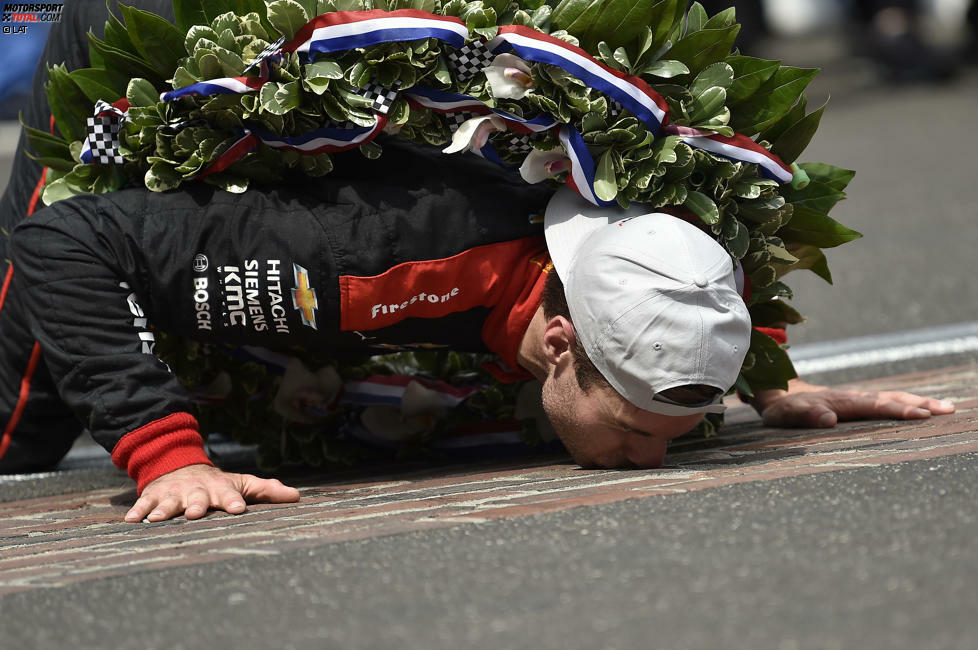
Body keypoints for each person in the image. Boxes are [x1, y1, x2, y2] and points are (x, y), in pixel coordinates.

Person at [0, 1, 954, 524]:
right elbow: (71, 248)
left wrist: (763, 381)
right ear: (561, 340)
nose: (654, 456)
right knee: (22, 415)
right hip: (161, 41)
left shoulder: (653, 227)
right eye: (638, 427)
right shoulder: (366, 262)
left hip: (411, 69)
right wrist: (165, 453)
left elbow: (709, 270)